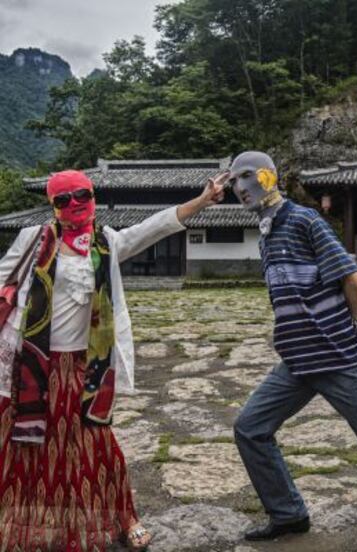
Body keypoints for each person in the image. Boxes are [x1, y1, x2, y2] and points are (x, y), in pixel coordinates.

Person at [0, 169, 225, 551]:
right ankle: (34, 521)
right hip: (34, 366)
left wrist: (201, 202)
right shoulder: (32, 239)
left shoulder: (106, 242)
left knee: (95, 443)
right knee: (25, 443)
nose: (74, 205)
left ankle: (123, 516)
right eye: (63, 199)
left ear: (93, 197)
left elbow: (155, 227)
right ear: (52, 206)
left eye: (81, 196)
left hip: (84, 367)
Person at [229, 151, 357, 541]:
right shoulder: (267, 232)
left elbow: (355, 279)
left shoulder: (302, 219)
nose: (239, 186)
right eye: (233, 180)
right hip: (296, 362)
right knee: (251, 428)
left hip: (336, 357)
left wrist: (344, 322)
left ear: (269, 176)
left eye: (246, 176)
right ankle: (288, 514)